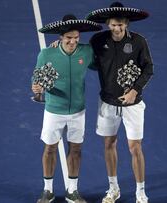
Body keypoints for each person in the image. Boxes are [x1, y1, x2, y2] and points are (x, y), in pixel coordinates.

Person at [86, 2, 153, 203]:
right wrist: (58, 44)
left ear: (127, 25)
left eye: (122, 25)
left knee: (135, 148)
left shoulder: (139, 42)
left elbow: (148, 68)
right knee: (109, 144)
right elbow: (84, 56)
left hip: (133, 104)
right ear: (108, 24)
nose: (118, 29)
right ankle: (113, 189)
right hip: (107, 102)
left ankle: (140, 192)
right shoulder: (97, 40)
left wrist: (134, 90)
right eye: (114, 25)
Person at [31, 14, 102, 203]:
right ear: (60, 38)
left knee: (76, 149)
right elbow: (36, 79)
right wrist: (37, 88)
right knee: (50, 148)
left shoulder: (86, 52)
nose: (72, 42)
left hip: (78, 111)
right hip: (54, 110)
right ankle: (47, 191)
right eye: (68, 38)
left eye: (76, 37)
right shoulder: (47, 54)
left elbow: (100, 65)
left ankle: (73, 191)